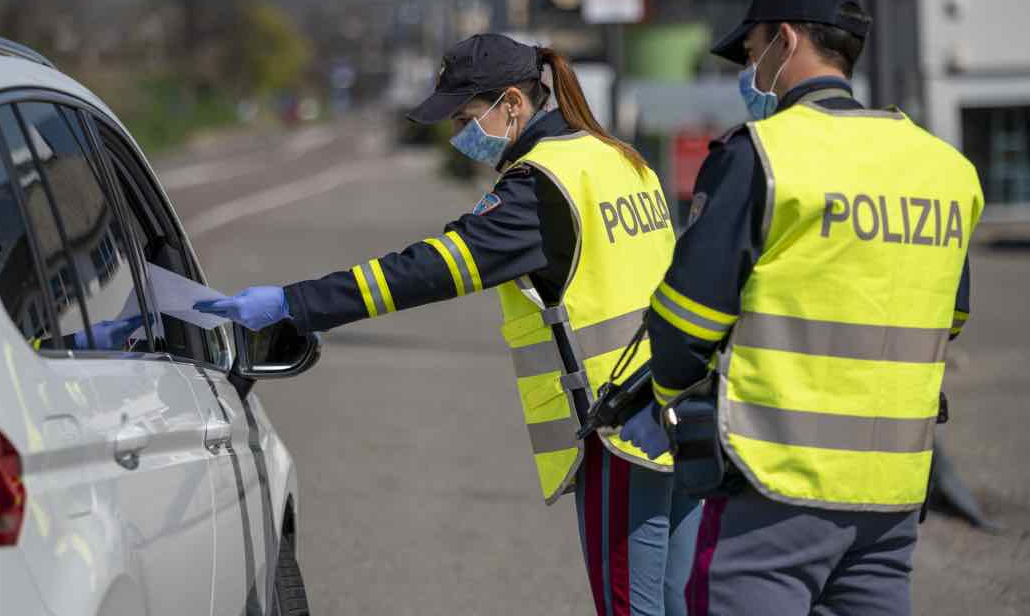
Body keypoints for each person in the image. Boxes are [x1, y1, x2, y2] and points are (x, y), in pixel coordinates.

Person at [195, 34, 703, 615]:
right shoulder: (618, 158)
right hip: (676, 413)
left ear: (511, 103)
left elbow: (425, 271)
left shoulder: (540, 186)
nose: (461, 134)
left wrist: (295, 302)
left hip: (621, 435)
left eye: (466, 116)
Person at [621, 0, 983, 615]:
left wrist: (670, 400)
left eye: (754, 51)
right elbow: (945, 317)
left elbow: (685, 324)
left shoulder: (759, 156)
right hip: (893, 490)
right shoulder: (946, 170)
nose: (751, 70)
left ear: (785, 41)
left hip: (773, 487)